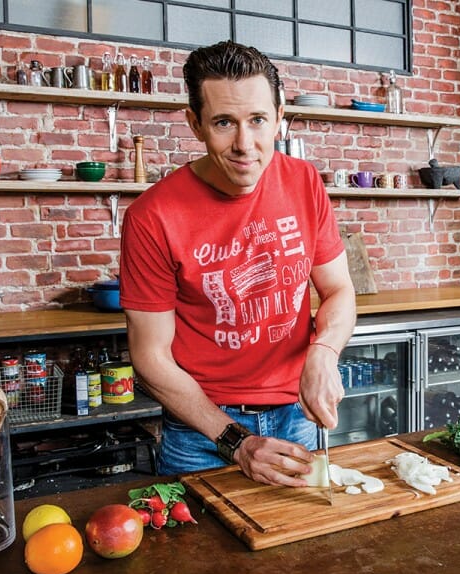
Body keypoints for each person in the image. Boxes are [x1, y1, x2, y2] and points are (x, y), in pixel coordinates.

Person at [119, 40, 356, 486]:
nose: (245, 145)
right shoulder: (152, 216)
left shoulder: (303, 181)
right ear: (195, 124)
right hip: (201, 434)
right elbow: (149, 356)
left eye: (258, 120)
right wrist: (236, 440)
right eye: (224, 122)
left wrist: (325, 351)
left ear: (280, 117)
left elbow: (339, 289)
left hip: (297, 417)